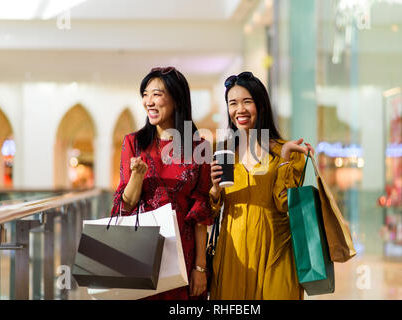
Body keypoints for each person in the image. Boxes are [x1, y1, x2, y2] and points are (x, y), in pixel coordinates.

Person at [209, 71, 314, 300]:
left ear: (262, 105)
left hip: (276, 250)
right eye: (233, 103)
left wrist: (285, 160)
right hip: (233, 253)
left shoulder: (285, 151)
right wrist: (215, 190)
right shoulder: (225, 153)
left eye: (248, 101)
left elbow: (286, 204)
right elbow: (211, 214)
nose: (240, 109)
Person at [111, 66, 213, 300]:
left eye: (156, 94)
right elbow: (124, 206)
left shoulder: (200, 148)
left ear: (177, 98)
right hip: (141, 253)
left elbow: (201, 211)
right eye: (145, 95)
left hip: (183, 258)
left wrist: (200, 268)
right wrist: (137, 175)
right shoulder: (134, 143)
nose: (149, 101)